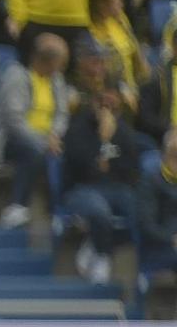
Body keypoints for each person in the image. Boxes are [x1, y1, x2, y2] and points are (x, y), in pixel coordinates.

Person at [0, 31, 73, 227]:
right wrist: (44, 141)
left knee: (77, 149)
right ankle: (18, 206)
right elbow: (14, 121)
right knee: (33, 150)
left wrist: (54, 135)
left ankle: (62, 210)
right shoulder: (17, 75)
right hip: (9, 139)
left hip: (48, 139)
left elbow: (62, 114)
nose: (63, 67)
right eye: (60, 62)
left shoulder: (56, 80)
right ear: (46, 61)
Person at [60, 86, 143, 282]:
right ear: (94, 103)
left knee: (141, 215)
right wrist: (103, 141)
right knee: (100, 212)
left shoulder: (124, 131)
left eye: (112, 104)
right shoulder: (77, 128)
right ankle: (102, 256)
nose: (106, 109)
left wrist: (108, 163)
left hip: (117, 188)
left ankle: (95, 244)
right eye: (102, 103)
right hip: (81, 188)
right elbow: (81, 168)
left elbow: (131, 170)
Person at [138, 129, 177, 282]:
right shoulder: (150, 182)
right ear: (164, 155)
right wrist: (171, 239)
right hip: (158, 249)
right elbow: (146, 225)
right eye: (175, 155)